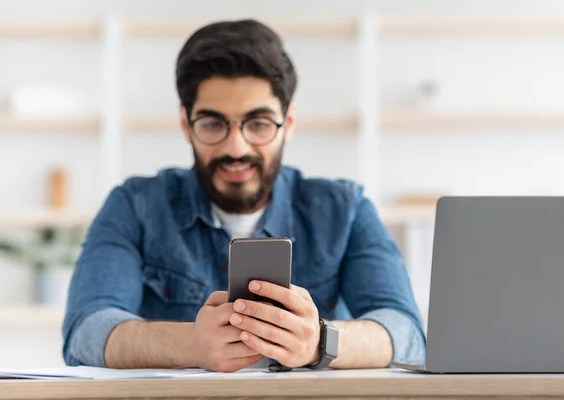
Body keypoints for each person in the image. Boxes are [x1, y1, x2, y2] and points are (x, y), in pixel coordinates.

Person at [62, 19, 425, 372]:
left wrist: (318, 342)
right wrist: (190, 344)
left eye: (259, 123)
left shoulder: (346, 209)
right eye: (213, 124)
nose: (236, 147)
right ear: (186, 124)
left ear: (289, 123)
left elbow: (405, 331)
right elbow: (86, 331)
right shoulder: (135, 206)